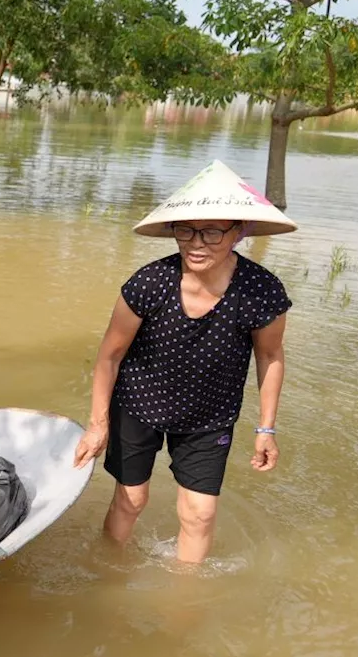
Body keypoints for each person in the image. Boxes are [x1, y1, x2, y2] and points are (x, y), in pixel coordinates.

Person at [72, 160, 297, 564]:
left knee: (200, 514)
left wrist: (266, 428)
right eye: (186, 229)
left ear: (238, 232)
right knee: (131, 500)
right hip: (138, 404)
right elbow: (110, 354)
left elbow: (270, 355)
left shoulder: (261, 291)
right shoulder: (150, 283)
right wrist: (98, 423)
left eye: (212, 231)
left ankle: (183, 606)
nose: (197, 243)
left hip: (210, 416)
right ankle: (104, 569)